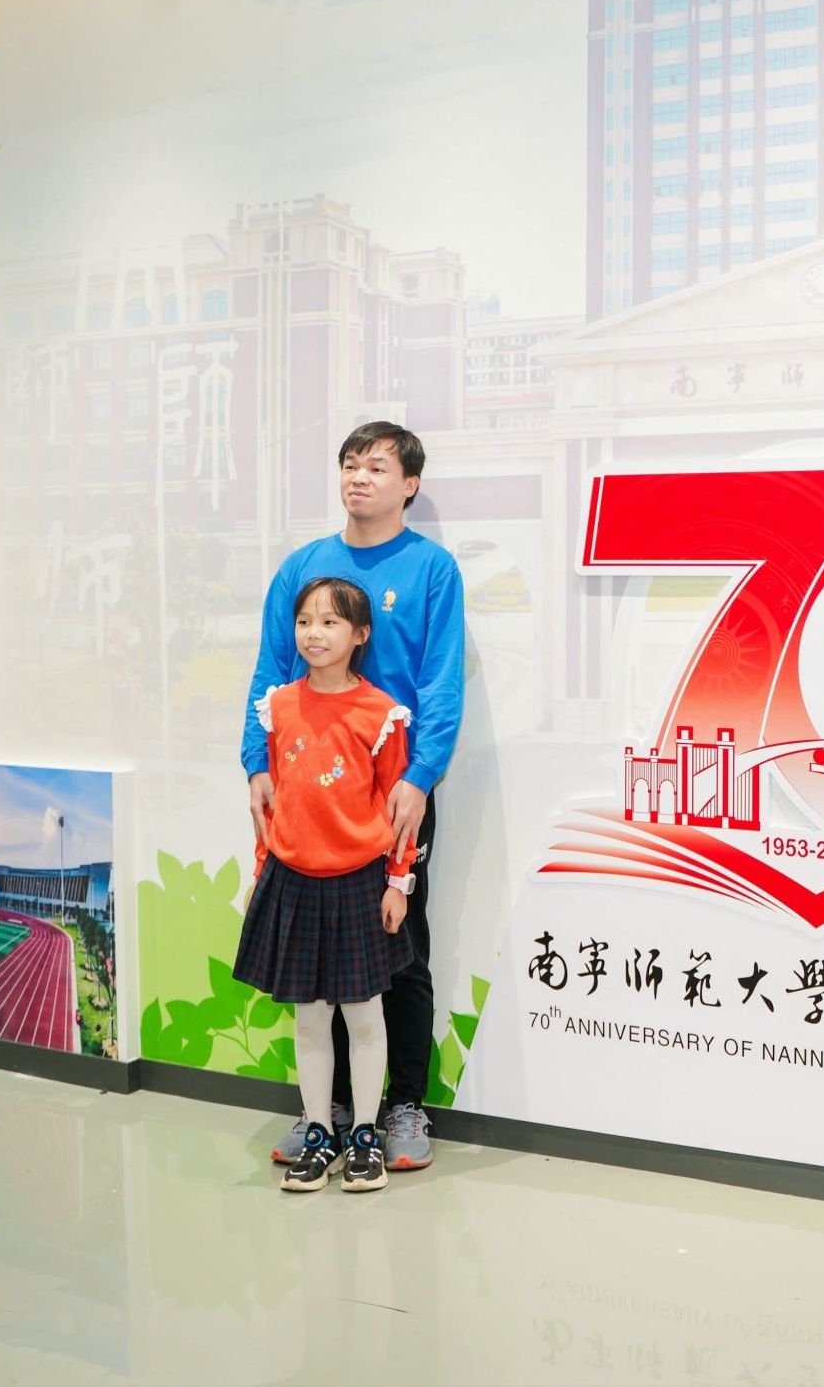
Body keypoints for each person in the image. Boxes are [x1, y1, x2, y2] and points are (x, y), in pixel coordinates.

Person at [241, 421, 465, 1171]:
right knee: (317, 956)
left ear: (410, 485)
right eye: (349, 464)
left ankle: (403, 1105)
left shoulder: (432, 569)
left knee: (398, 949)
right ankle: (330, 1113)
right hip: (306, 794)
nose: (358, 477)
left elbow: (440, 682)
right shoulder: (303, 567)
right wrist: (256, 764)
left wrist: (420, 777)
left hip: (394, 790)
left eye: (376, 466)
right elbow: (269, 672)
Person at [233, 576, 415, 1193]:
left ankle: (364, 1136)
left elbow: (398, 809)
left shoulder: (381, 713)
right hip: (293, 881)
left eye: (331, 622)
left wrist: (398, 883)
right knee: (310, 1021)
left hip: (360, 883)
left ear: (360, 635)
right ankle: (318, 1132)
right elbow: (273, 803)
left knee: (365, 1017)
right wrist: (263, 870)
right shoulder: (278, 706)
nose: (314, 634)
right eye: (305, 621)